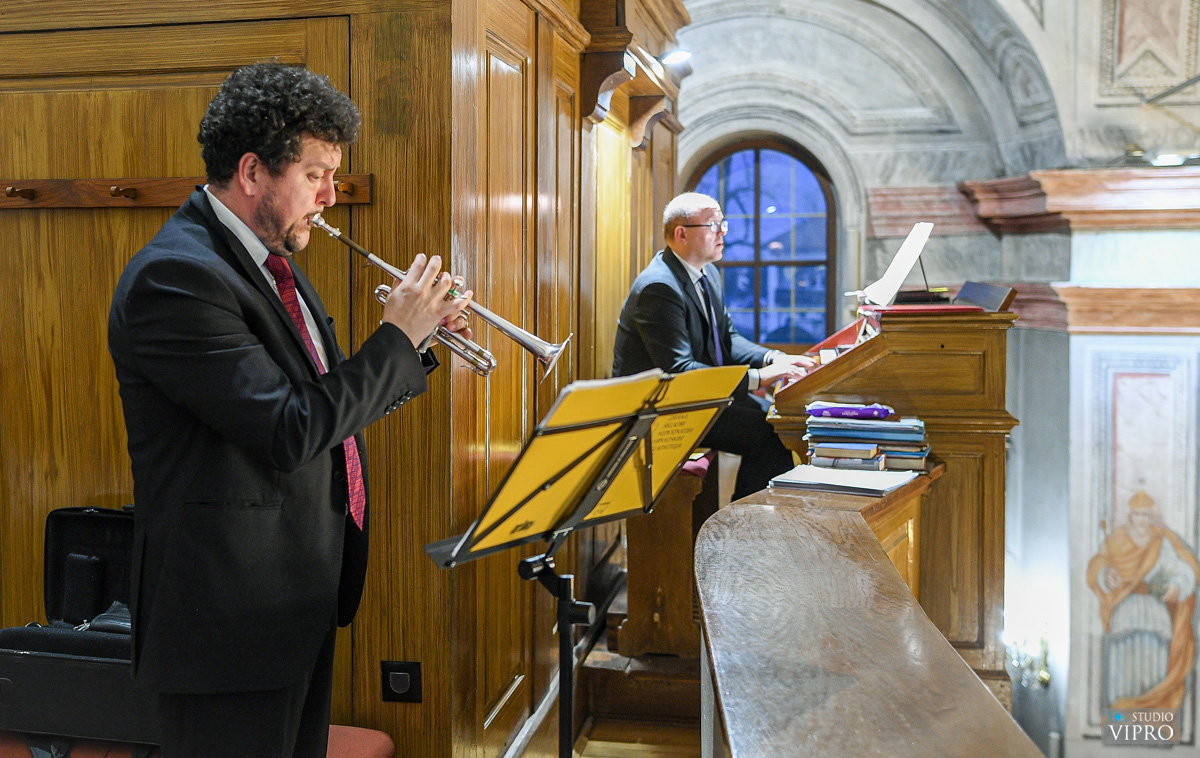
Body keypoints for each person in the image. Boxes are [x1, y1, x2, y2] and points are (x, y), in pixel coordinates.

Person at [107, 63, 471, 758]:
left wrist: (418, 345)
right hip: (226, 625)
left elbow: (322, 404)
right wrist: (396, 340)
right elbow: (289, 428)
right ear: (252, 172)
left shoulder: (268, 260)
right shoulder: (176, 277)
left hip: (293, 599)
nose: (330, 196)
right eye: (315, 175)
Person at [612, 192, 815, 500]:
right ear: (681, 234)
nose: (723, 232)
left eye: (723, 224)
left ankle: (753, 520)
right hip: (660, 412)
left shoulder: (707, 274)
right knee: (769, 434)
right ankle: (745, 525)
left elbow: (727, 339)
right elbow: (679, 371)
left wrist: (773, 358)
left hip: (694, 399)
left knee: (778, 418)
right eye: (713, 225)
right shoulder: (659, 287)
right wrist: (760, 378)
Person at [1087, 490, 1200, 710]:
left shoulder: (1161, 542)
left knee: (1154, 659)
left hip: (1155, 610)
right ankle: (1120, 712)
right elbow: (1098, 564)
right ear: (1130, 516)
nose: (1141, 519)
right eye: (1137, 514)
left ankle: (1151, 709)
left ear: (1151, 517)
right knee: (1123, 659)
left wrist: (1177, 586)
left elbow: (1183, 569)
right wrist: (1106, 575)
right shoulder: (1117, 540)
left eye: (1146, 515)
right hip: (1126, 608)